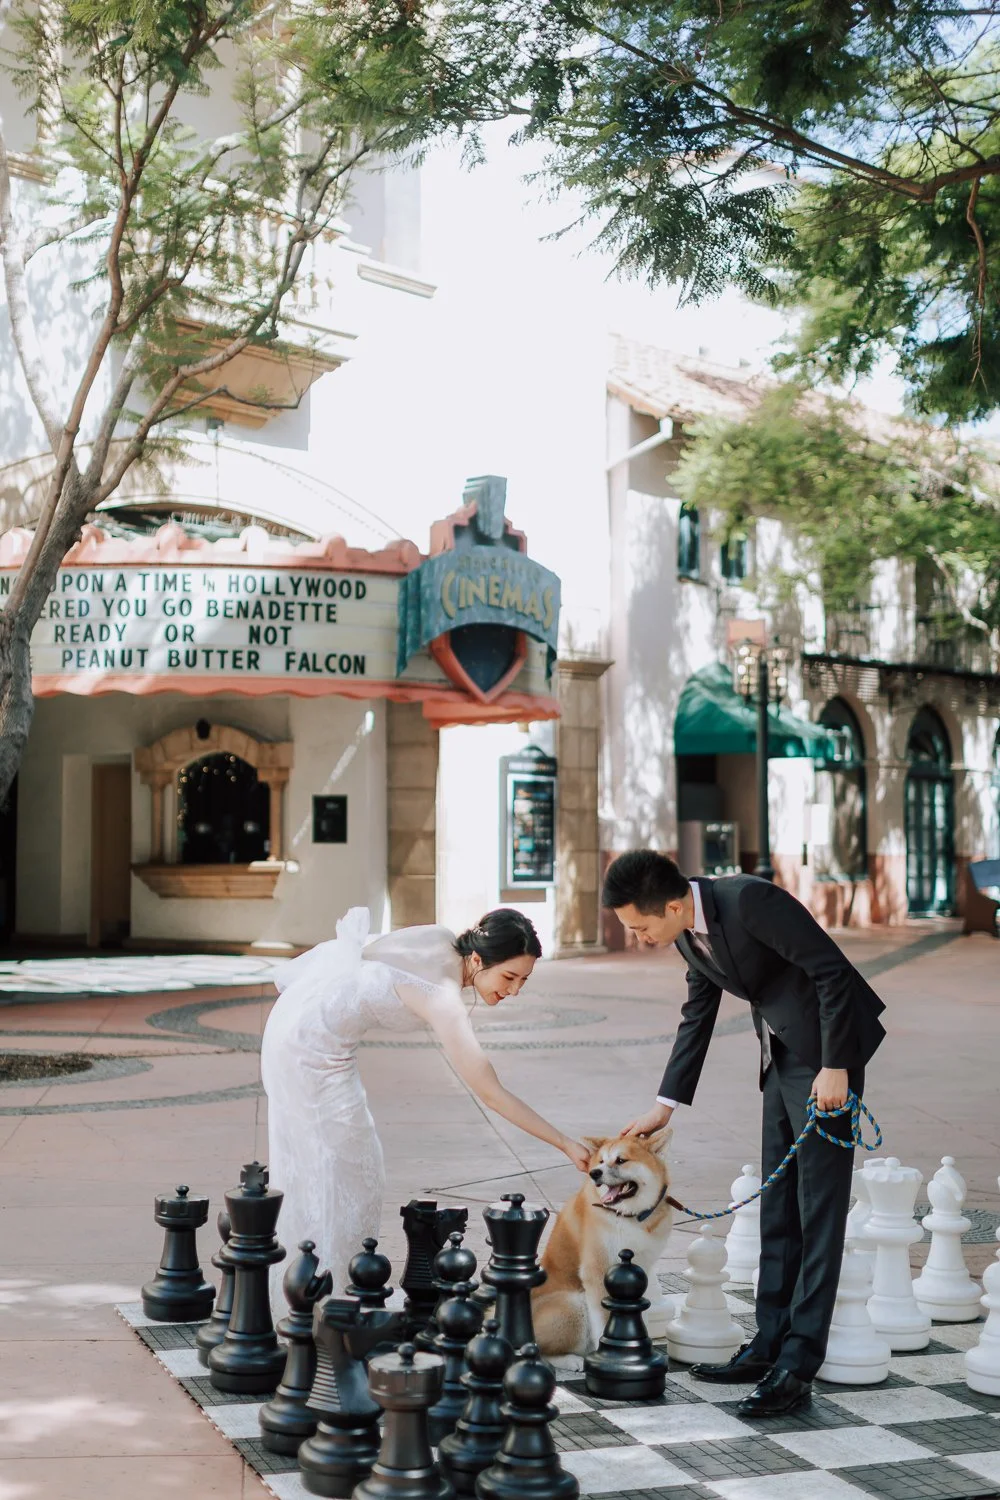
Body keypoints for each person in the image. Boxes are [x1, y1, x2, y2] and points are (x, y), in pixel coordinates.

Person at [602, 851, 886, 1416]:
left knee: (817, 1210)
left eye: (641, 926)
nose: (639, 937)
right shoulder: (687, 931)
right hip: (780, 1055)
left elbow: (830, 970)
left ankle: (798, 1364)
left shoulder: (750, 900)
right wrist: (666, 1106)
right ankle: (767, 1343)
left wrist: (836, 1065)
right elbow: (697, 1013)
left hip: (827, 1057)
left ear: (676, 905)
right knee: (778, 1205)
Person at [261, 906, 589, 1309]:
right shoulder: (444, 998)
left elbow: (371, 954)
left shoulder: (442, 938)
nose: (514, 990)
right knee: (339, 1172)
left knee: (344, 1168)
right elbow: (490, 1091)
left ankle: (320, 1290)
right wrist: (564, 1144)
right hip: (306, 1048)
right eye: (508, 976)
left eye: (524, 980)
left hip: (299, 1020)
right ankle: (319, 1304)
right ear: (476, 960)